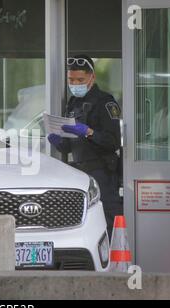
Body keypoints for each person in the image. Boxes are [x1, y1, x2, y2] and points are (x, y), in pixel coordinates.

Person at [47, 54, 123, 239]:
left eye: (80, 79)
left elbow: (113, 141)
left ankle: (115, 264)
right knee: (85, 223)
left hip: (102, 173)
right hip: (80, 174)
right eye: (71, 79)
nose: (75, 84)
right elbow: (69, 146)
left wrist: (89, 132)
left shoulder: (106, 102)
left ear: (92, 77)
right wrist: (58, 141)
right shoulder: (73, 103)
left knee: (108, 221)